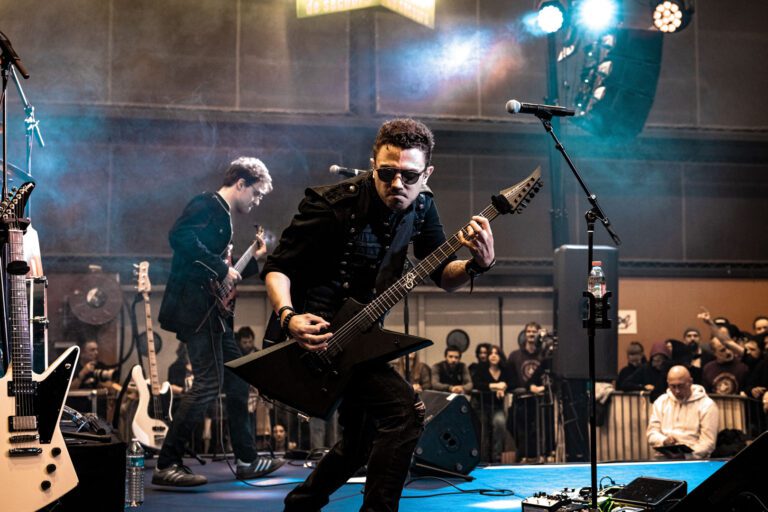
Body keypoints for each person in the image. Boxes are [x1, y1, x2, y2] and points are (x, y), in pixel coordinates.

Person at [262, 118, 496, 511]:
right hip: (316, 340)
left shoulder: (423, 207)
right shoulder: (331, 204)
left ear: (427, 174)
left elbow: (443, 275)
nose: (397, 184)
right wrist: (289, 317)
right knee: (406, 415)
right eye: (387, 173)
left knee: (360, 442)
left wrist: (477, 264)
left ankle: (300, 505)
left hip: (362, 341)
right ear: (373, 165)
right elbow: (277, 267)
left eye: (409, 175)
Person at [152, 157, 283, 487]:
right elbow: (179, 236)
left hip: (214, 315)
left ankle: (247, 460)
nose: (257, 201)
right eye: (256, 193)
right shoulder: (208, 204)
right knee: (208, 384)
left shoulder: (223, 216)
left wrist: (253, 261)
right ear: (240, 183)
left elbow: (224, 276)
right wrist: (221, 267)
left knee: (238, 380)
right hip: (198, 313)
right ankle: (167, 464)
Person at [647, 365, 719, 460]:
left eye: (680, 386)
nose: (677, 391)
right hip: (663, 457)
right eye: (673, 386)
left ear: (690, 382)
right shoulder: (661, 402)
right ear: (668, 383)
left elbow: (708, 443)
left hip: (694, 460)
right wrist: (664, 440)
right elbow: (651, 434)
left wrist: (686, 456)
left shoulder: (707, 405)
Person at [472, 345, 514, 462]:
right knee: (483, 431)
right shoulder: (481, 368)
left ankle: (497, 457)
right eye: (491, 353)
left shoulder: (505, 370)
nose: (493, 356)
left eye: (496, 353)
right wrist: (495, 386)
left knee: (500, 423)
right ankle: (482, 459)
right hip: (481, 406)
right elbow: (476, 384)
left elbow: (514, 382)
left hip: (497, 407)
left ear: (500, 356)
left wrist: (504, 386)